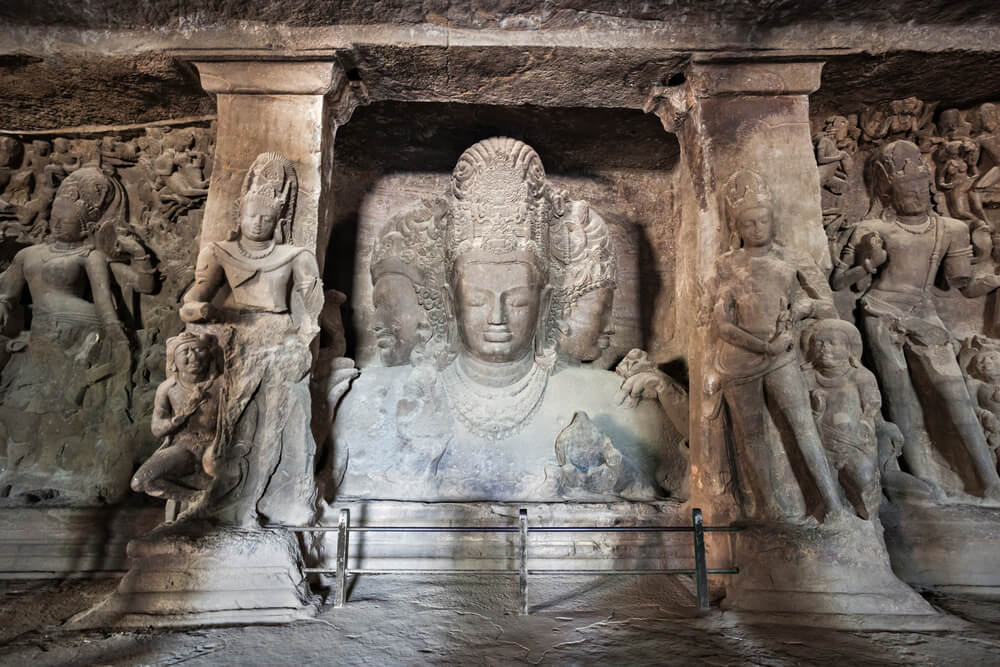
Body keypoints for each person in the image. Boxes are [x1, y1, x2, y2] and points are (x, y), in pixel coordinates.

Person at [832, 140, 1000, 498]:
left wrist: (988, 269)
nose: (915, 195)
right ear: (889, 193)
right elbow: (840, 282)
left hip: (925, 316)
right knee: (901, 399)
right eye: (905, 189)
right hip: (879, 312)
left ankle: (989, 480)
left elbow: (958, 285)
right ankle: (926, 481)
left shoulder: (951, 229)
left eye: (921, 187)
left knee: (954, 394)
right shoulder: (873, 229)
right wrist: (867, 263)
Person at [710, 169, 848, 521]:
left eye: (763, 220)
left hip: (781, 350)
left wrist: (800, 309)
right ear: (737, 228)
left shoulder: (793, 258)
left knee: (802, 424)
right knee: (751, 433)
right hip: (740, 357)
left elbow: (824, 303)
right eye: (749, 223)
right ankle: (769, 507)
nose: (757, 228)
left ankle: (831, 501)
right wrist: (760, 346)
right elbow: (722, 322)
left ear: (773, 220)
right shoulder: (727, 264)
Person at [131, 332, 222, 502]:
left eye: (198, 350)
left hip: (216, 444)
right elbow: (157, 428)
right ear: (174, 362)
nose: (193, 356)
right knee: (140, 482)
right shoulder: (168, 389)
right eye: (185, 352)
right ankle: (197, 499)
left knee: (217, 467)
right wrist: (175, 421)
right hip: (184, 447)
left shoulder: (221, 384)